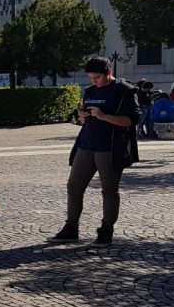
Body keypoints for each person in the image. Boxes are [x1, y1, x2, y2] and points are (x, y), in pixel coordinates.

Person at [49, 56, 139, 248]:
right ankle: (71, 229)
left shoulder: (124, 90)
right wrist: (82, 116)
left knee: (109, 191)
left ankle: (106, 231)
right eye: (90, 78)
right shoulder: (89, 91)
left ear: (108, 72)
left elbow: (132, 121)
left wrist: (104, 116)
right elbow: (85, 121)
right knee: (74, 186)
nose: (93, 81)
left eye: (97, 77)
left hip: (110, 147)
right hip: (87, 145)